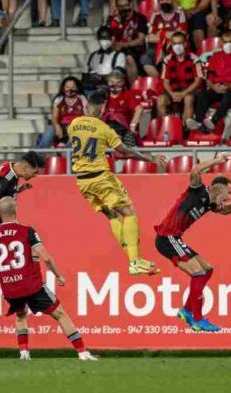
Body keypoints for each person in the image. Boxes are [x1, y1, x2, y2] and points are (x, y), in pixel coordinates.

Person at [0, 197, 98, 361]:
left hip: (10, 288)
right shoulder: (26, 231)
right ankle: (82, 352)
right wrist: (58, 275)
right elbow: (46, 257)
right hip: (31, 285)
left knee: (20, 315)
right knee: (60, 314)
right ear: (15, 211)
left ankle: (24, 353)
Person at [67, 91, 165, 276]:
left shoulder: (74, 124)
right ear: (103, 107)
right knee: (129, 213)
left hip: (82, 180)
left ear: (87, 106)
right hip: (100, 177)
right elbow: (125, 151)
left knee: (113, 216)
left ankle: (134, 259)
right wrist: (149, 158)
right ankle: (134, 261)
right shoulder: (104, 129)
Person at [154, 154, 231, 332]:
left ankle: (186, 310)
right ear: (218, 188)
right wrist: (217, 161)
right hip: (167, 237)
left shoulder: (210, 203)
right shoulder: (198, 190)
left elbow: (225, 211)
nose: (229, 196)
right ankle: (197, 319)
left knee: (207, 270)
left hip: (174, 238)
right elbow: (195, 170)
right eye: (228, 192)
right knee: (198, 273)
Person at [0, 151, 45, 292]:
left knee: (5, 265)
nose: (35, 177)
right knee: (18, 258)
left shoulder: (10, 168)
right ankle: (31, 286)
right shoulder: (5, 179)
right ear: (25, 168)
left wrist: (17, 190)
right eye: (34, 172)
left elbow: (1, 194)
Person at [193, 28, 231, 131]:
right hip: (218, 88)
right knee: (203, 95)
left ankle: (213, 120)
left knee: (228, 95)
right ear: (221, 42)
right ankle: (198, 122)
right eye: (226, 42)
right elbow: (208, 78)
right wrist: (213, 86)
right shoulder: (216, 56)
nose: (228, 44)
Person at [158, 31, 202, 127]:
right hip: (173, 91)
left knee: (188, 98)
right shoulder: (167, 60)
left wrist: (183, 93)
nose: (177, 46)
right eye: (174, 44)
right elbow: (165, 81)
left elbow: (198, 81)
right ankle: (168, 128)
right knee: (161, 100)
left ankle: (186, 129)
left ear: (185, 44)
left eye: (180, 43)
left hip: (190, 90)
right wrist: (171, 94)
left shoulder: (194, 58)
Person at [38, 77, 88, 149]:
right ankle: (38, 156)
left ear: (77, 88)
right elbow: (54, 117)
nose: (70, 89)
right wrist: (57, 126)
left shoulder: (82, 98)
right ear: (63, 88)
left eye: (73, 87)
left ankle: (67, 153)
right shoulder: (59, 99)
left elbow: (87, 116)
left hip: (77, 126)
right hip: (62, 125)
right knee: (50, 130)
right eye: (67, 87)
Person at [106, 0, 149, 83]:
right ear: (117, 7)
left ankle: (133, 89)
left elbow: (140, 41)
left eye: (125, 5)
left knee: (128, 58)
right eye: (121, 6)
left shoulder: (140, 18)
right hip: (118, 49)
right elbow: (111, 38)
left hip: (136, 50)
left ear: (131, 4)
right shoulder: (115, 20)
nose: (124, 8)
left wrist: (123, 45)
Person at [142, 0, 189, 77]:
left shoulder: (179, 14)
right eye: (162, 0)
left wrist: (160, 33)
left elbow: (183, 35)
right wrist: (168, 34)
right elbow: (149, 38)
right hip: (157, 48)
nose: (165, 2)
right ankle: (160, 83)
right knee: (145, 58)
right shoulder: (155, 15)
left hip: (175, 46)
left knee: (174, 53)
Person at [103, 70, 144, 147]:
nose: (115, 85)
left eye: (118, 83)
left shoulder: (127, 95)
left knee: (128, 137)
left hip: (124, 129)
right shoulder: (103, 95)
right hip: (106, 129)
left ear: (123, 82)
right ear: (108, 82)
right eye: (112, 82)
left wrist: (133, 126)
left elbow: (139, 109)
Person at [86, 26, 127, 92]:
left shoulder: (119, 55)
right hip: (95, 87)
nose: (104, 40)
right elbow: (90, 72)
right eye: (101, 38)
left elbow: (117, 75)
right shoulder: (93, 55)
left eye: (106, 38)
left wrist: (101, 78)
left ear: (112, 38)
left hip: (112, 88)